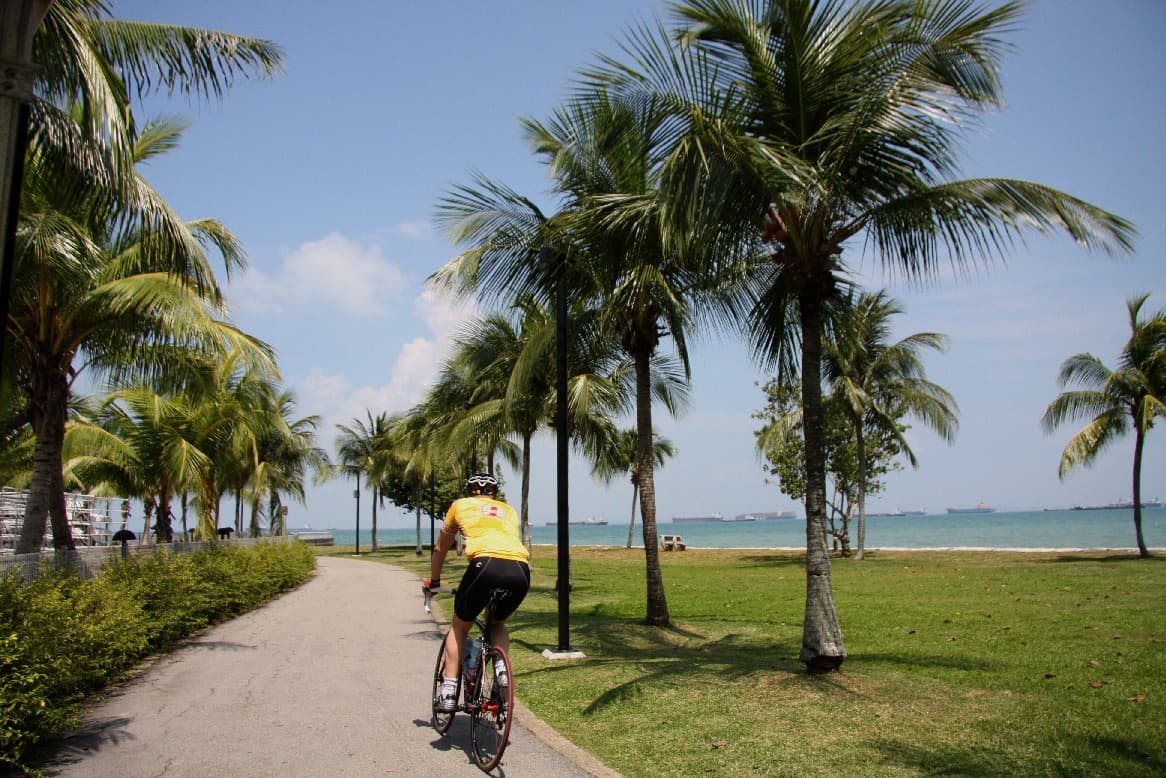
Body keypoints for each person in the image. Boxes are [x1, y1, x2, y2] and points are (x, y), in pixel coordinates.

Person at [423, 472, 530, 712]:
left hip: (485, 564)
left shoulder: (460, 505)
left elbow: (441, 547)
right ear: (494, 493)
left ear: (471, 491)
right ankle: (502, 670)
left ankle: (449, 690)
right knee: (497, 623)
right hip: (520, 569)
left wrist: (435, 580)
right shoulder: (508, 510)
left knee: (460, 626)